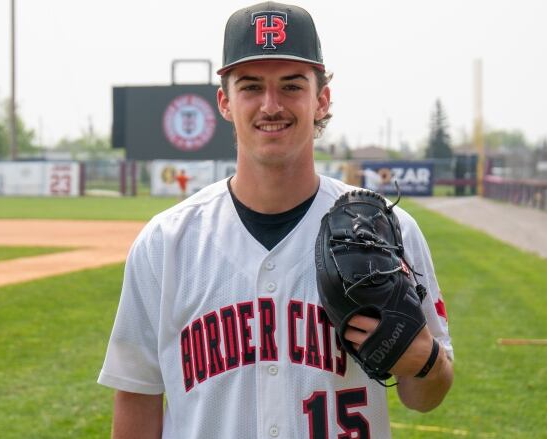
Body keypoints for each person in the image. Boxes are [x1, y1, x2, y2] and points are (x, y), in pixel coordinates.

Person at [98, 3, 453, 438]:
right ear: (225, 102)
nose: (271, 105)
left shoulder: (385, 230)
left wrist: (424, 360)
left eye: (291, 85)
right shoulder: (166, 242)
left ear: (321, 99)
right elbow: (137, 395)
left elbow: (427, 395)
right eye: (251, 87)